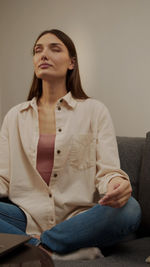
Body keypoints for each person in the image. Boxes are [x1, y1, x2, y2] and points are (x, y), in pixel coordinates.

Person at [0, 29, 141, 259]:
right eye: (38, 50)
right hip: (26, 216)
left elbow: (108, 172)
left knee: (130, 210)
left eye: (54, 48)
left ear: (71, 63)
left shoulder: (95, 111)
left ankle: (34, 249)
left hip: (80, 218)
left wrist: (117, 183)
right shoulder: (15, 116)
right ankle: (49, 251)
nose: (43, 55)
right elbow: (3, 178)